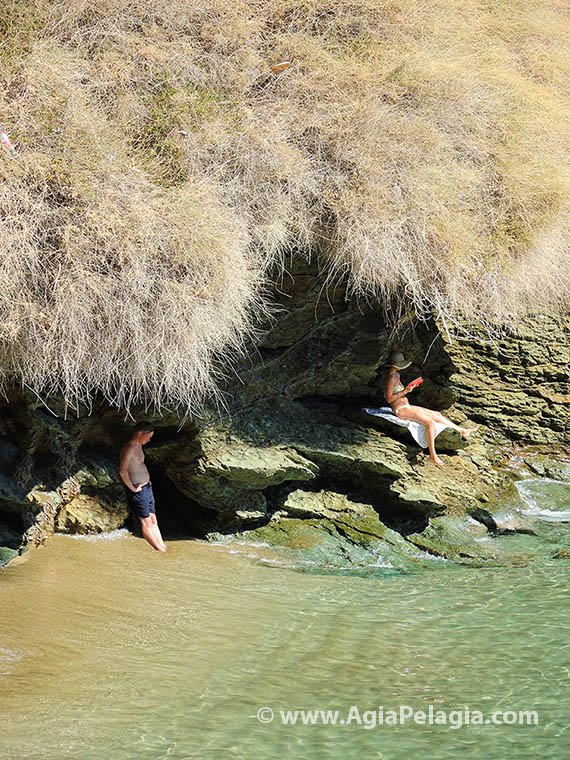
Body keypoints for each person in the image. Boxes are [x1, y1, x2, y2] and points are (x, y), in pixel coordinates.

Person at [385, 351, 478, 467]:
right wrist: (405, 391)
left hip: (407, 406)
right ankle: (432, 454)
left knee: (437, 415)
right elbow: (389, 399)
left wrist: (409, 389)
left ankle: (462, 430)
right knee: (430, 423)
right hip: (401, 410)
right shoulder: (390, 377)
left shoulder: (397, 374)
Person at [119, 422, 166, 552]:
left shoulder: (139, 446)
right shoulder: (130, 448)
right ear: (140, 433)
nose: (149, 440)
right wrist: (133, 489)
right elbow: (123, 471)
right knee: (145, 522)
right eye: (148, 437)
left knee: (153, 519)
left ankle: (162, 547)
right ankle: (160, 550)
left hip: (147, 488)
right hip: (138, 491)